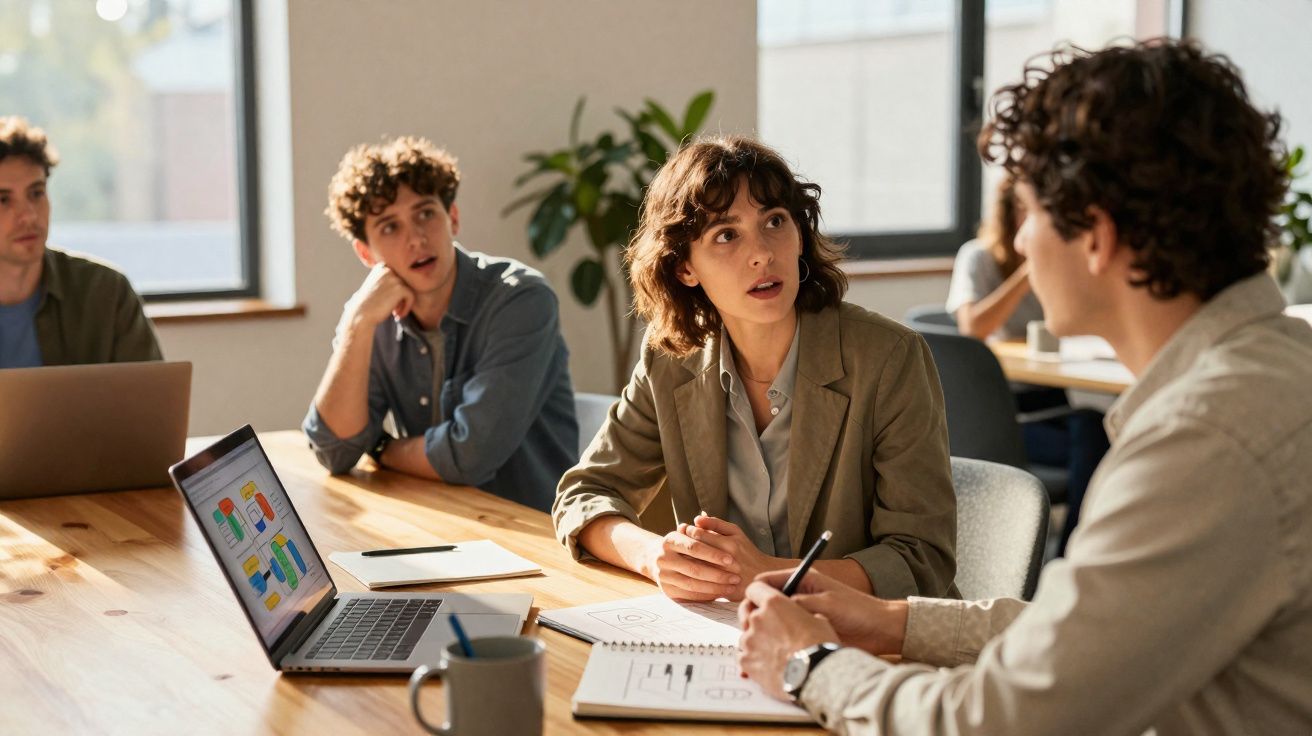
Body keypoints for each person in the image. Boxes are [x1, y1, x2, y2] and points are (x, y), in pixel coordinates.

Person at [736, 39, 1312, 734]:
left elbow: (1001, 721)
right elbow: (1098, 634)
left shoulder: (1206, 439)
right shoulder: (1276, 368)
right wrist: (895, 620)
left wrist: (810, 666)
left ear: (1095, 237)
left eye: (1029, 213)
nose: (1024, 240)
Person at [552, 136, 958, 603]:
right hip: (733, 637)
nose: (762, 253)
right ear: (685, 267)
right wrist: (654, 555)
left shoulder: (888, 357)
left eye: (775, 222)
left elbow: (920, 558)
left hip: (870, 641)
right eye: (727, 234)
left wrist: (766, 575)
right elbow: (585, 492)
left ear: (800, 236)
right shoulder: (671, 359)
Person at [303, 136, 577, 512]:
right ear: (366, 253)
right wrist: (357, 325)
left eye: (425, 213)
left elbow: (470, 456)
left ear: (453, 218)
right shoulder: (374, 315)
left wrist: (381, 447)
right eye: (389, 227)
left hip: (529, 534)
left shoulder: (520, 299)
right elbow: (334, 450)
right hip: (436, 523)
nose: (416, 238)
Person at [947, 175, 1109, 556]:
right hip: (1001, 414)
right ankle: (1070, 552)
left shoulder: (1057, 262)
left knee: (1097, 427)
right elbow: (973, 327)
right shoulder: (979, 257)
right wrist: (1026, 274)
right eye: (1030, 208)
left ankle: (1080, 547)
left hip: (1049, 403)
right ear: (1008, 212)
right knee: (1090, 430)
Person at [0, 116, 162, 368]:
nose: (29, 215)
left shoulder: (107, 292)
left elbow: (154, 402)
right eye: (3, 200)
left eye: (36, 193)